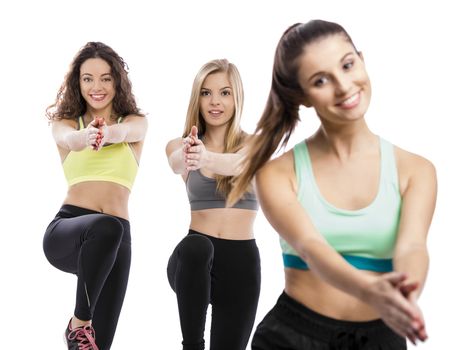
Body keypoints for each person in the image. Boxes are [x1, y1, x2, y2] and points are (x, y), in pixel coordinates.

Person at [228, 20, 437, 349]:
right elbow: (311, 248)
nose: (343, 86)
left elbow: (412, 246)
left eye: (348, 64)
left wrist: (406, 296)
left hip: (382, 337)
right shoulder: (277, 174)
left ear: (362, 59)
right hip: (291, 338)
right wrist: (368, 289)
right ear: (302, 96)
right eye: (321, 80)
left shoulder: (416, 170)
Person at [43, 42, 147, 350]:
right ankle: (79, 323)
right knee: (106, 226)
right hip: (68, 230)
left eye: (105, 78)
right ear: (78, 82)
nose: (96, 86)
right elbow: (68, 139)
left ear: (117, 81)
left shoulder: (134, 122)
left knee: (98, 345)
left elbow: (125, 133)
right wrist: (86, 136)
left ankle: (81, 333)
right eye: (88, 78)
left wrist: (107, 133)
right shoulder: (66, 123)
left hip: (116, 241)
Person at [165, 59, 261, 350]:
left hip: (241, 264)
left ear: (237, 97)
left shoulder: (257, 145)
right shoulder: (181, 145)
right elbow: (174, 161)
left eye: (225, 93)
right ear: (197, 98)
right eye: (206, 93)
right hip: (194, 259)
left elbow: (243, 163)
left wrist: (207, 159)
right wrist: (189, 154)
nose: (215, 102)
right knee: (198, 247)